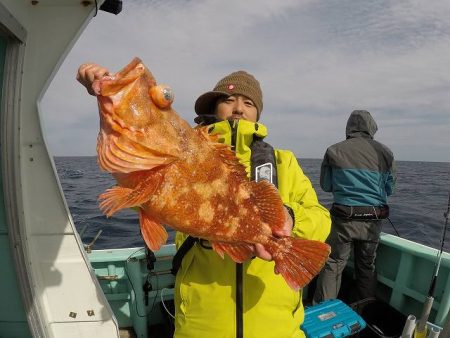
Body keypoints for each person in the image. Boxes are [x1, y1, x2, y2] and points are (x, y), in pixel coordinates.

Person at [77, 64, 331, 338]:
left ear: (258, 112)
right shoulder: (185, 148)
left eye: (248, 102)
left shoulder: (284, 161)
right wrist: (106, 94)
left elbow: (321, 218)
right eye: (228, 99)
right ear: (213, 108)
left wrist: (289, 218)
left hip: (276, 327)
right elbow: (143, 186)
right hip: (201, 325)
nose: (238, 108)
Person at [313, 109, 396, 304]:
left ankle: (324, 311)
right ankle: (363, 310)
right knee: (366, 266)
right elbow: (389, 188)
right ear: (371, 128)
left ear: (349, 128)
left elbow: (326, 186)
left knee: (334, 263)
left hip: (343, 220)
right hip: (372, 222)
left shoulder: (334, 150)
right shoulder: (385, 153)